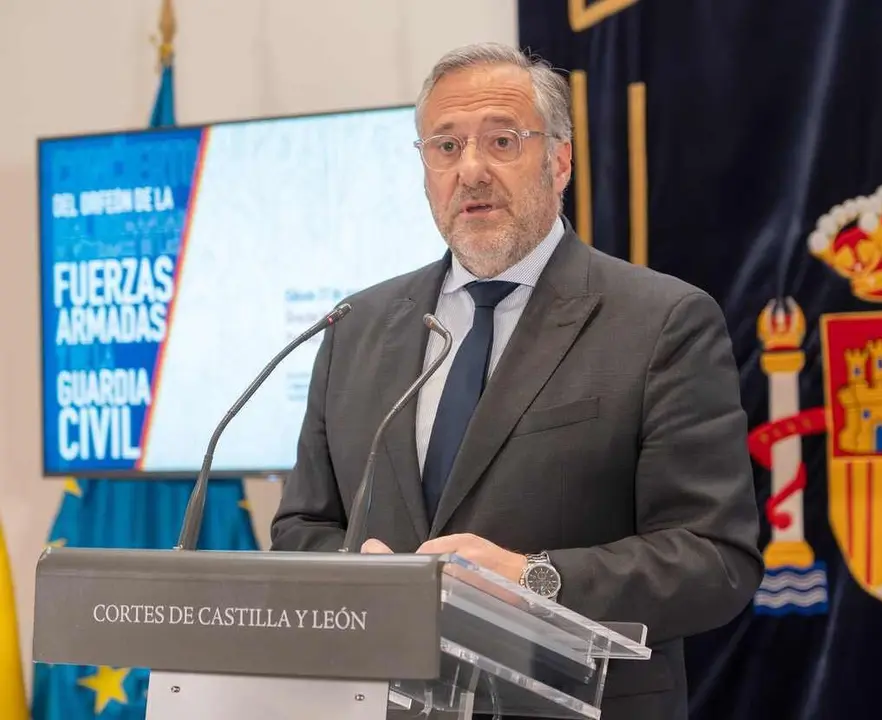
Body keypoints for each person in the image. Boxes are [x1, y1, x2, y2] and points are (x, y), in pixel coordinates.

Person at [270, 41, 765, 719]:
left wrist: (536, 579)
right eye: (444, 147)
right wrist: (361, 571)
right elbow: (303, 530)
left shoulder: (661, 322)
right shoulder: (357, 325)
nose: (470, 170)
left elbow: (714, 561)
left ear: (559, 160)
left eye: (502, 141)